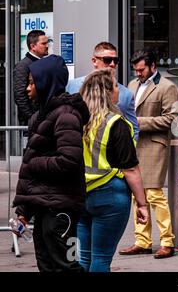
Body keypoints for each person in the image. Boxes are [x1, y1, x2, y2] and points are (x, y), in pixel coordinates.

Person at [12, 55, 88, 272]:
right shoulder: (40, 116)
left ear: (46, 82)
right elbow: (33, 171)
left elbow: (69, 160)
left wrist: (35, 163)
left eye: (32, 82)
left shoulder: (66, 115)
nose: (27, 89)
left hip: (61, 209)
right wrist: (24, 212)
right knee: (46, 265)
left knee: (66, 265)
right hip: (45, 206)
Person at [77, 68, 149, 272]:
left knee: (84, 258)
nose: (119, 90)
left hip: (81, 194)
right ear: (107, 92)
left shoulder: (77, 121)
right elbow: (131, 169)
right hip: (109, 194)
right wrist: (142, 204)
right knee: (101, 259)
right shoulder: (115, 123)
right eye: (116, 86)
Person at [119, 49, 178, 259]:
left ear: (153, 66)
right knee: (138, 195)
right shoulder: (132, 84)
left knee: (154, 194)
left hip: (154, 144)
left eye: (141, 69)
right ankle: (142, 241)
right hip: (134, 145)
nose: (138, 73)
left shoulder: (167, 86)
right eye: (135, 70)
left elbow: (171, 119)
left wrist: (138, 123)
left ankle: (167, 241)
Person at [66, 42, 139, 139]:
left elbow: (133, 129)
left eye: (116, 60)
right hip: (77, 146)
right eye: (107, 60)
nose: (112, 64)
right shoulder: (73, 86)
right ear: (94, 61)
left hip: (109, 149)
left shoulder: (126, 94)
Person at [13, 30, 49, 126]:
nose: (47, 46)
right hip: (31, 124)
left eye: (47, 42)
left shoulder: (43, 63)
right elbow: (20, 95)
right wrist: (32, 118)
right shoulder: (23, 66)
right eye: (43, 43)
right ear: (33, 46)